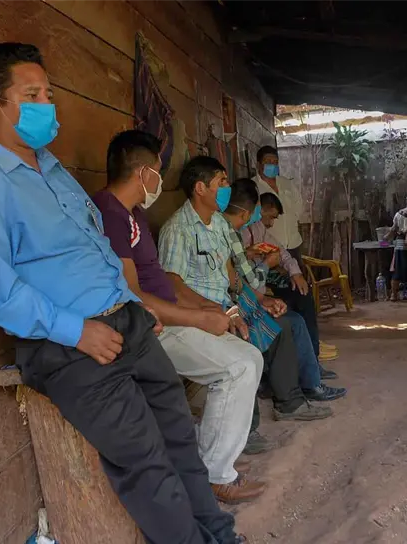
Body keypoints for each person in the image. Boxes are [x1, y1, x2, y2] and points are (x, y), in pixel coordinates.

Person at [0, 43, 243, 544]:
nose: (47, 104)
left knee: (179, 440)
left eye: (49, 93)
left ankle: (219, 534)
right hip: (69, 345)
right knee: (146, 461)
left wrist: (138, 308)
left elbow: (98, 251)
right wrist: (78, 330)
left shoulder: (55, 172)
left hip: (127, 322)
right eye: (32, 95)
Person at [92, 130, 266, 504]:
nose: (158, 178)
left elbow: (167, 282)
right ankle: (214, 475)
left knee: (251, 357)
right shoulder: (109, 212)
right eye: (156, 169)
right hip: (148, 328)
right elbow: (133, 295)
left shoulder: (133, 213)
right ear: (142, 172)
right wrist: (196, 319)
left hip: (167, 315)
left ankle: (216, 461)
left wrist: (203, 307)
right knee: (237, 369)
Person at [157, 156, 333, 424]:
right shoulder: (178, 230)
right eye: (221, 181)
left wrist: (260, 300)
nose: (227, 187)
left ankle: (289, 403)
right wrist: (225, 311)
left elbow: (232, 279)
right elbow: (173, 286)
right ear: (200, 188)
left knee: (283, 326)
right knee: (246, 345)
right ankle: (245, 427)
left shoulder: (218, 225)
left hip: (229, 306)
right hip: (201, 313)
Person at [224, 180, 347, 403]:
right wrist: (265, 269)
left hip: (250, 295)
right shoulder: (230, 234)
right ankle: (297, 394)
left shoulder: (240, 231)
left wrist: (291, 274)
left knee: (299, 301)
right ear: (247, 211)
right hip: (238, 303)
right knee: (290, 322)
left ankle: (310, 375)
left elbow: (278, 255)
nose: (267, 221)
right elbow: (244, 281)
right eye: (264, 215)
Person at [253, 146, 338, 363]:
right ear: (259, 164)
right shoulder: (253, 188)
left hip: (291, 246)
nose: (272, 164)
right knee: (287, 298)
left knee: (302, 290)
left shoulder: (287, 184)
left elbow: (298, 210)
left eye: (275, 160)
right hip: (265, 253)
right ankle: (298, 352)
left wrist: (292, 268)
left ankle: (311, 349)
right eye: (267, 161)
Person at [245, 192, 338, 379]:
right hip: (249, 284)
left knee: (301, 293)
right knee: (288, 311)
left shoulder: (259, 229)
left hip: (262, 276)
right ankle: (297, 364)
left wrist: (296, 273)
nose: (271, 223)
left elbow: (283, 254)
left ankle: (313, 360)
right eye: (270, 217)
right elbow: (244, 277)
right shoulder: (234, 232)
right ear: (258, 210)